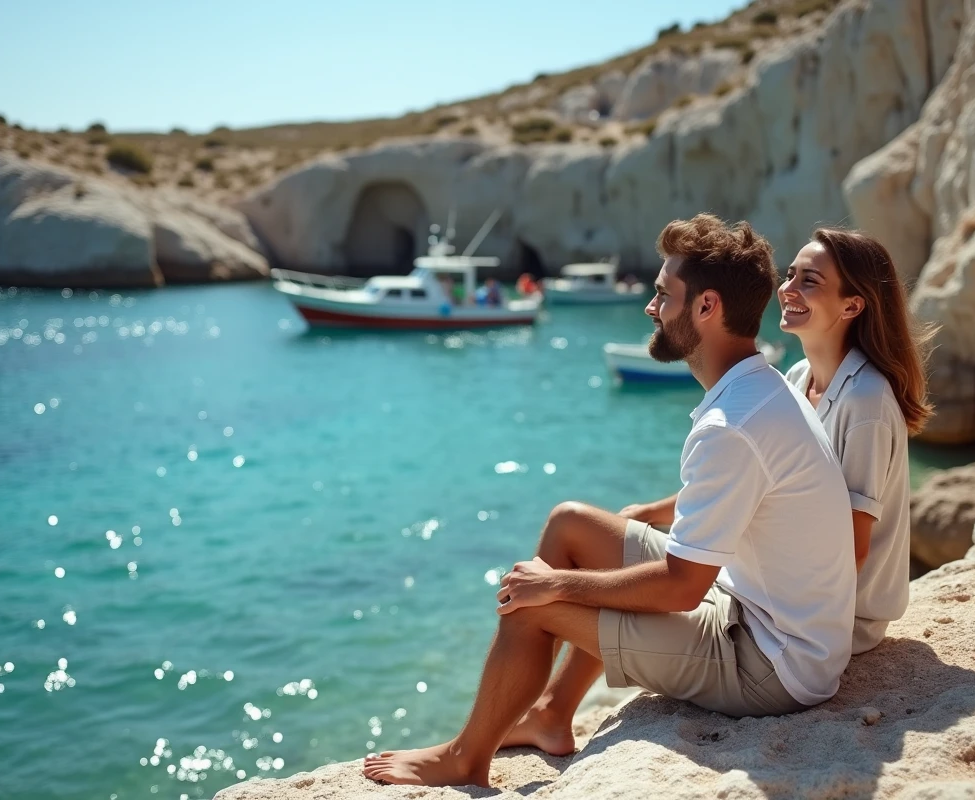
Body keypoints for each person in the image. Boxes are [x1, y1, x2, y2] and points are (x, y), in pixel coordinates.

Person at [362, 214, 856, 787]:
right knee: (569, 524)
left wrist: (559, 587)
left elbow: (680, 588)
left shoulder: (731, 424)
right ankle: (551, 712)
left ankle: (465, 758)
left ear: (707, 308)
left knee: (531, 598)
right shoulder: (760, 385)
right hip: (765, 613)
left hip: (774, 664)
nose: (650, 308)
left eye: (663, 294)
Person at [778, 228, 934, 654]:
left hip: (839, 620)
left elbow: (852, 546)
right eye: (790, 275)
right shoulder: (796, 379)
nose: (787, 289)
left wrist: (776, 610)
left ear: (852, 305)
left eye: (809, 280)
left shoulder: (866, 401)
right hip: (794, 594)